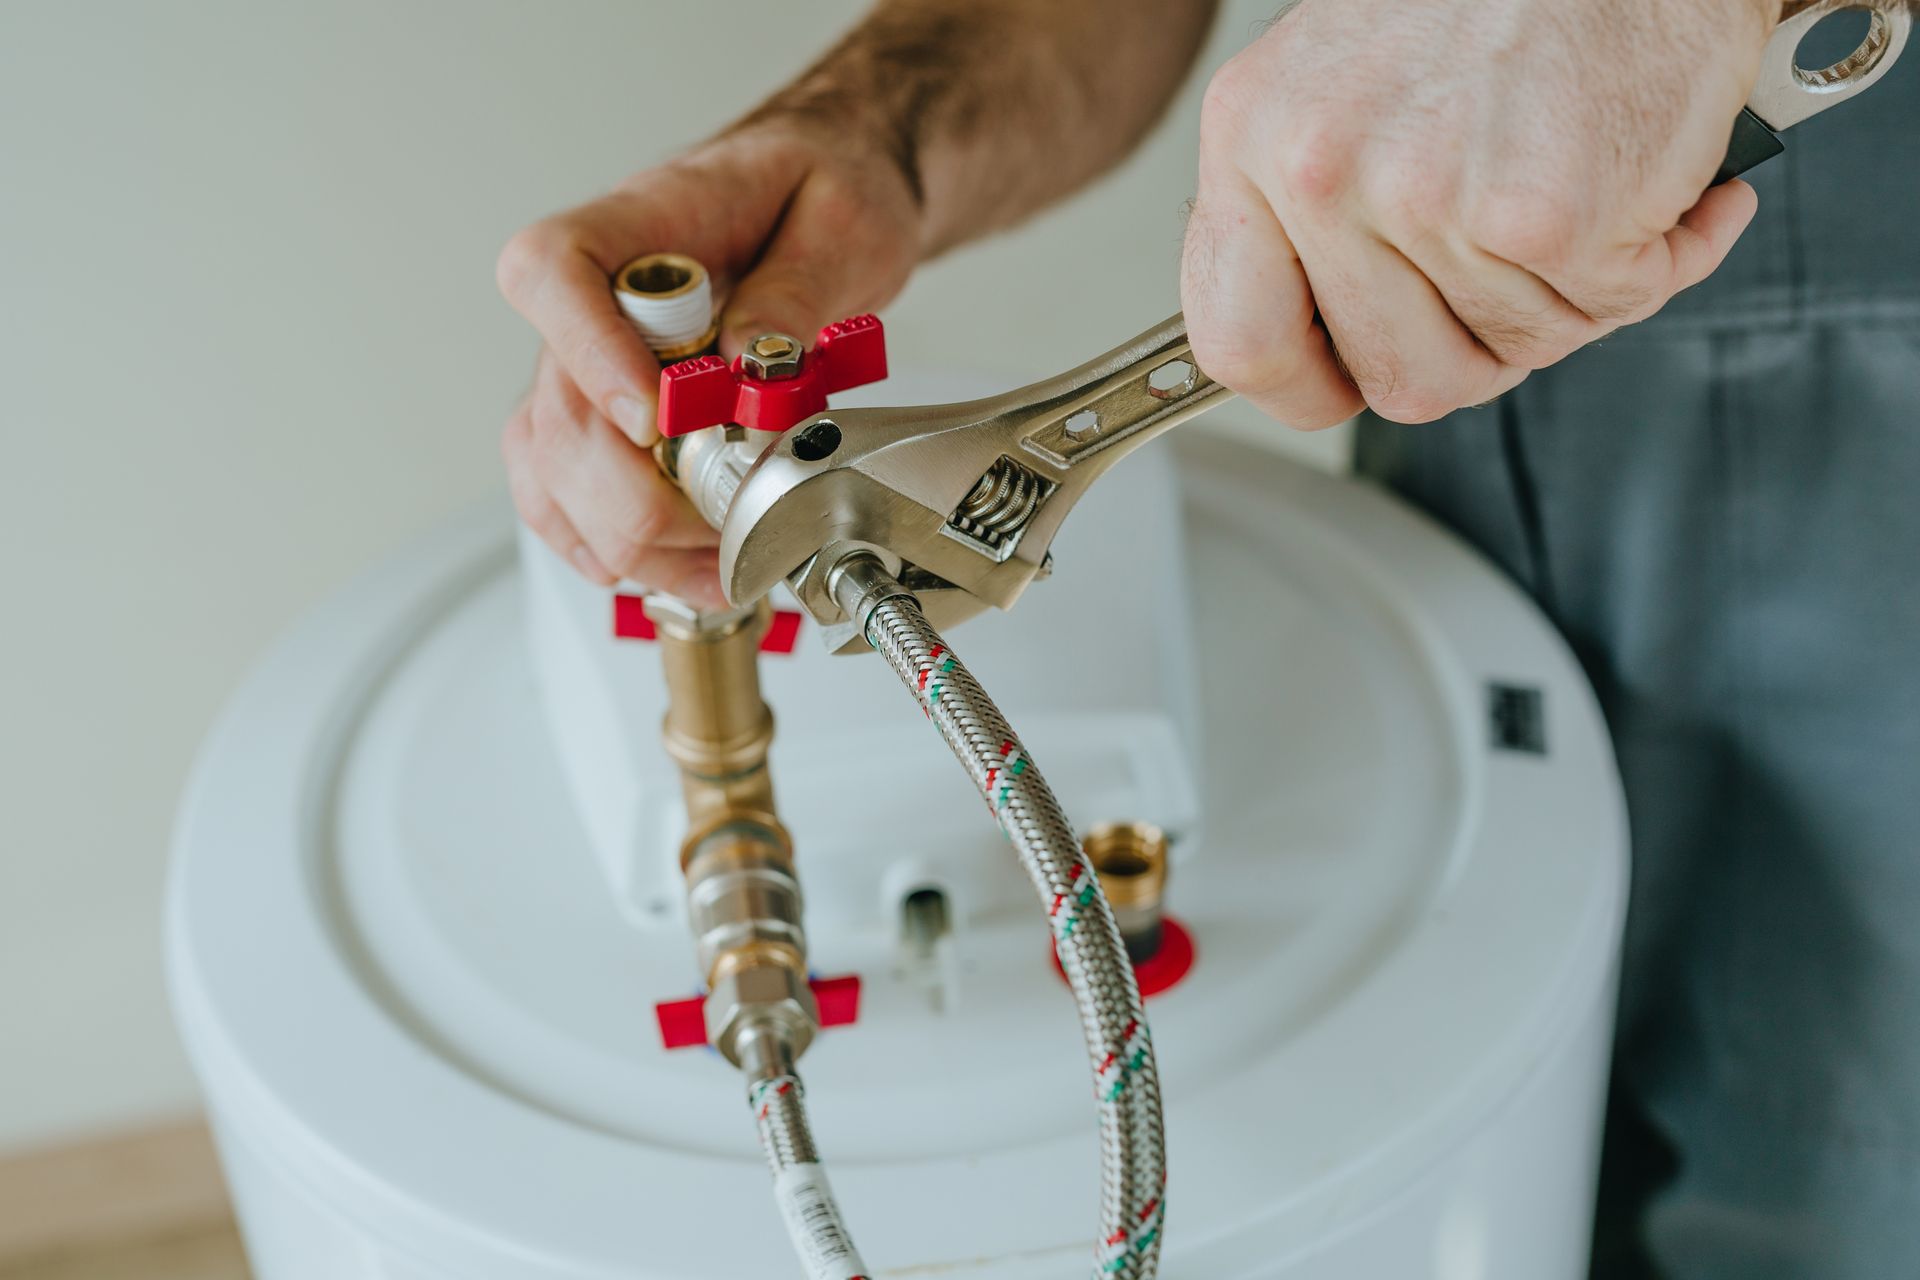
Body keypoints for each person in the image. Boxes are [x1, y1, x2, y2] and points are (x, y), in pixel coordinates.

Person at [495, 2, 1920, 1275]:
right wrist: (870, 135)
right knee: (1519, 1116)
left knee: (1832, 1171)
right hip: (1503, 386)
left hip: (1873, 424)